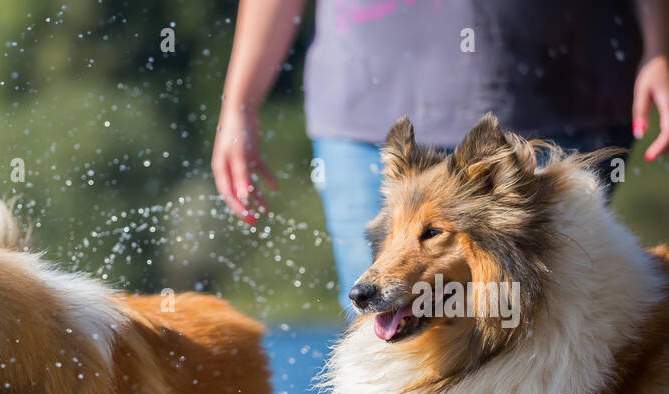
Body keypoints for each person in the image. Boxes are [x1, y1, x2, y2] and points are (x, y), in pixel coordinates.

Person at [213, 0, 669, 310]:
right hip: (366, 103)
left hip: (558, 92)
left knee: (549, 324)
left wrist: (661, 48)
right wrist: (239, 103)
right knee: (384, 317)